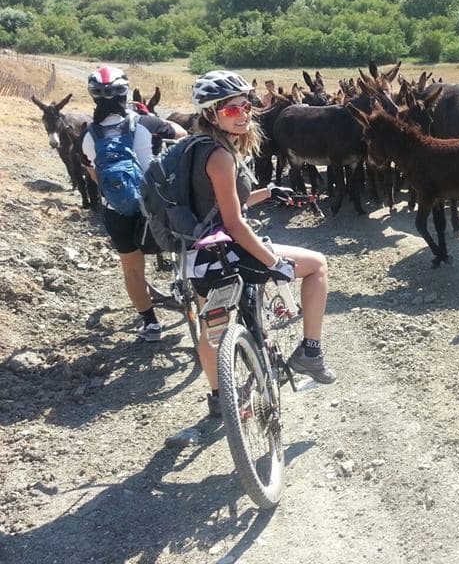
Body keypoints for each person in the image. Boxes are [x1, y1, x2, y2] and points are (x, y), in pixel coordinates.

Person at [187, 70, 335, 418]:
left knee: (209, 330)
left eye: (245, 107)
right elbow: (235, 223)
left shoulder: (194, 147)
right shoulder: (221, 156)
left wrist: (267, 192)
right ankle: (310, 352)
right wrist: (271, 261)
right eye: (231, 110)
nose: (243, 115)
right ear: (211, 114)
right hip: (230, 251)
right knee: (317, 265)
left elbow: (219, 207)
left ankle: (219, 398)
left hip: (197, 255)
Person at [81, 66, 188, 342]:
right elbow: (181, 135)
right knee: (185, 245)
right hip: (155, 203)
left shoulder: (89, 137)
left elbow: (94, 175)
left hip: (117, 209)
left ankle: (151, 324)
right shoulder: (143, 123)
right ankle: (188, 290)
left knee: (131, 268)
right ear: (124, 91)